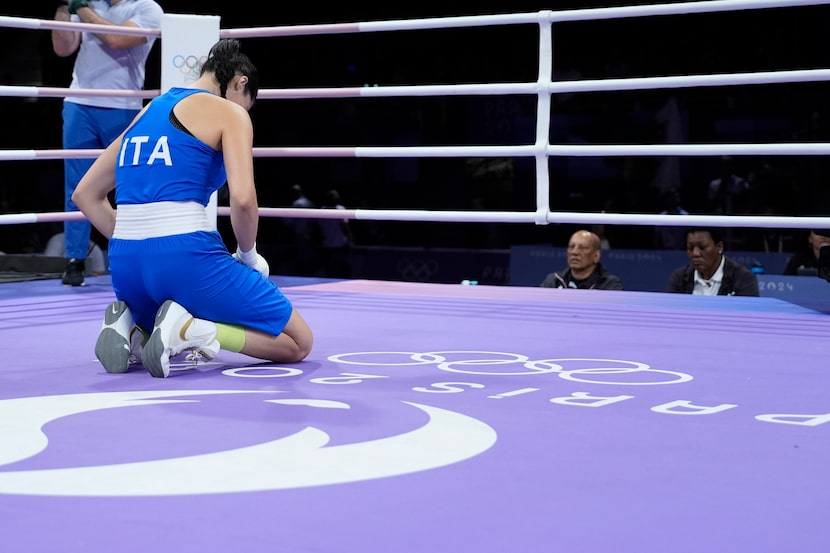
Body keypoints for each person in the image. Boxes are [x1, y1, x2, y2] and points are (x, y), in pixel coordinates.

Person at [71, 39, 314, 378]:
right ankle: (195, 330)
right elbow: (243, 200)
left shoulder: (148, 111)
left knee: (166, 305)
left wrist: (140, 240)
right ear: (241, 83)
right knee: (297, 342)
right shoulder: (230, 112)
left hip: (126, 268)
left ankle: (133, 326)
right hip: (185, 259)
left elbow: (84, 194)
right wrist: (248, 255)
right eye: (248, 103)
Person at [53, 0, 163, 287]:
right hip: (80, 102)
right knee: (76, 185)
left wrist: (83, 9)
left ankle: (129, 257)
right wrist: (65, 8)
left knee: (128, 185)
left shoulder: (147, 8)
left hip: (123, 104)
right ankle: (75, 260)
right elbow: (62, 47)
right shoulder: (88, 6)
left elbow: (118, 39)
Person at [665, 227, 759, 296]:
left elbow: (747, 319)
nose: (695, 253)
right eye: (690, 248)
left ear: (719, 247)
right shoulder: (679, 278)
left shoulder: (744, 279)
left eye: (702, 247)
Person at [540, 229, 624, 290]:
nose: (575, 252)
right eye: (571, 247)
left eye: (583, 248)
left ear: (596, 256)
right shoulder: (554, 281)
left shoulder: (609, 285)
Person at [318, 189, 353, 278]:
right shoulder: (338, 209)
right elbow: (345, 227)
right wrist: (350, 241)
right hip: (332, 245)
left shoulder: (325, 209)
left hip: (337, 244)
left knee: (337, 268)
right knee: (332, 269)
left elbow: (345, 226)